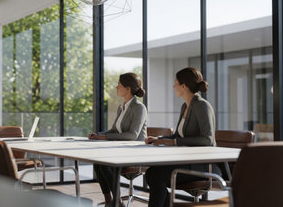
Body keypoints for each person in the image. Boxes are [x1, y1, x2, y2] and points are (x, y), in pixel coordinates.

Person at [144, 67, 216, 207]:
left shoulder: (202, 106)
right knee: (151, 173)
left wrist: (174, 142)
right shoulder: (185, 106)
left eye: (175, 83)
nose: (173, 86)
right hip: (187, 161)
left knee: (157, 174)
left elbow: (208, 139)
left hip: (201, 165)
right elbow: (178, 135)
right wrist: (158, 139)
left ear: (183, 86)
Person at [88, 72, 148, 206]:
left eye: (119, 85)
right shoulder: (122, 108)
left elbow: (133, 135)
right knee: (98, 162)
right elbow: (114, 130)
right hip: (122, 151)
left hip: (135, 153)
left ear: (128, 89)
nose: (116, 87)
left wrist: (105, 137)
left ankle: (117, 201)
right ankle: (110, 200)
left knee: (105, 163)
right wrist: (97, 134)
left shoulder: (139, 108)